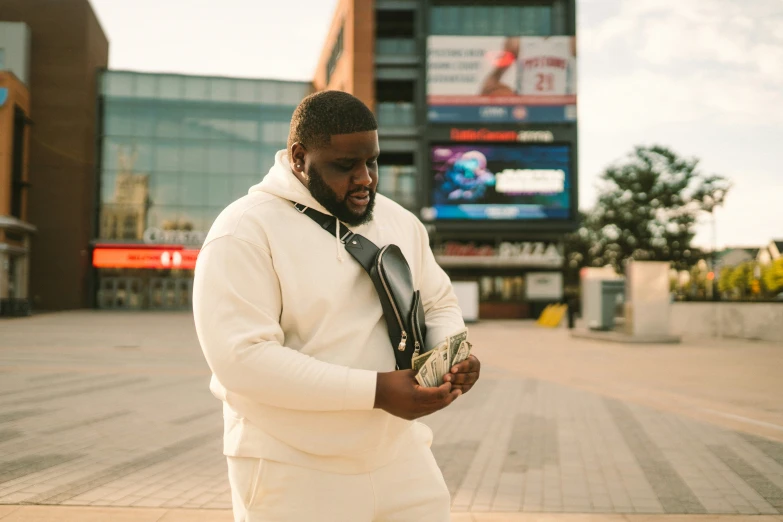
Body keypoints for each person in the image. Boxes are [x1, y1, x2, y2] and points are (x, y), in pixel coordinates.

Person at [193, 90, 481, 522]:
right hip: (290, 469)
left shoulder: (400, 221)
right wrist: (378, 391)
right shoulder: (244, 229)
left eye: (372, 162)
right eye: (344, 166)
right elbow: (242, 359)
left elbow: (437, 302)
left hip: (400, 457)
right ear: (298, 157)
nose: (364, 178)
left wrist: (450, 354)